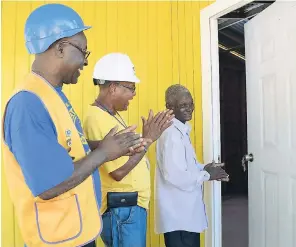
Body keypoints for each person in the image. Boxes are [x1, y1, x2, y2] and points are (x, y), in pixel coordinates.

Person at [2, 4, 146, 247]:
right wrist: (104, 153)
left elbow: (61, 149)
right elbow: (48, 185)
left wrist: (106, 146)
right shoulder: (28, 103)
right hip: (57, 239)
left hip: (75, 232)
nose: (85, 63)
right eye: (84, 52)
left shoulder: (51, 95)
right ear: (60, 48)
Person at [83, 52, 174, 247]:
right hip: (122, 210)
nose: (134, 94)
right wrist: (148, 139)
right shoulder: (96, 118)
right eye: (131, 88)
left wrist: (145, 140)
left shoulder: (111, 116)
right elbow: (118, 172)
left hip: (128, 209)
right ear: (114, 88)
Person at [155, 84, 229, 247]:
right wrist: (207, 175)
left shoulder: (180, 130)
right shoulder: (172, 134)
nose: (189, 109)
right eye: (183, 105)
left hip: (184, 214)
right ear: (170, 107)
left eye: (190, 104)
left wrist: (204, 168)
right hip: (179, 215)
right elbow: (175, 175)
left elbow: (184, 166)